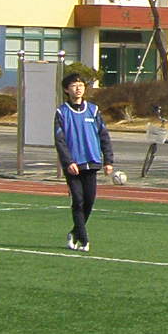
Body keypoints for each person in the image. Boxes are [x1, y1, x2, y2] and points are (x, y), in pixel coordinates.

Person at [54, 73, 115, 252]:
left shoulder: (93, 110)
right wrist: (68, 162)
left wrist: (108, 160)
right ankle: (85, 239)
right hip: (74, 165)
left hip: (92, 161)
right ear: (66, 89)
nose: (78, 88)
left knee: (89, 201)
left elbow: (104, 136)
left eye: (81, 85)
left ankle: (74, 233)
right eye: (74, 85)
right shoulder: (61, 112)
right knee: (78, 201)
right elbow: (60, 140)